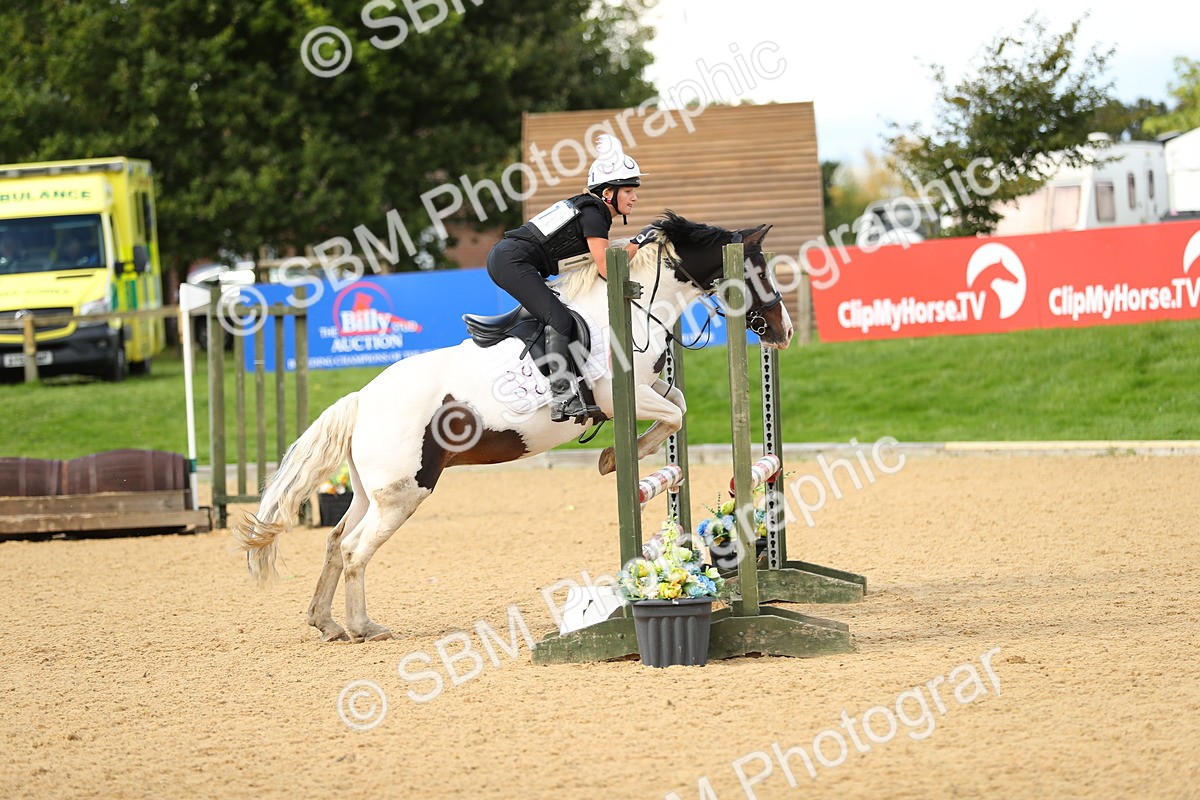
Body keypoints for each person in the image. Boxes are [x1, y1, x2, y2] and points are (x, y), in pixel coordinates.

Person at [487, 133, 643, 423]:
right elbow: (608, 269)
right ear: (608, 193)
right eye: (628, 190)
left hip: (511, 258)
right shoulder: (595, 214)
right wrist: (640, 243)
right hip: (512, 260)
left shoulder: (590, 209)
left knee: (561, 314)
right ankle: (562, 396)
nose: (635, 196)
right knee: (560, 320)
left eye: (635, 190)